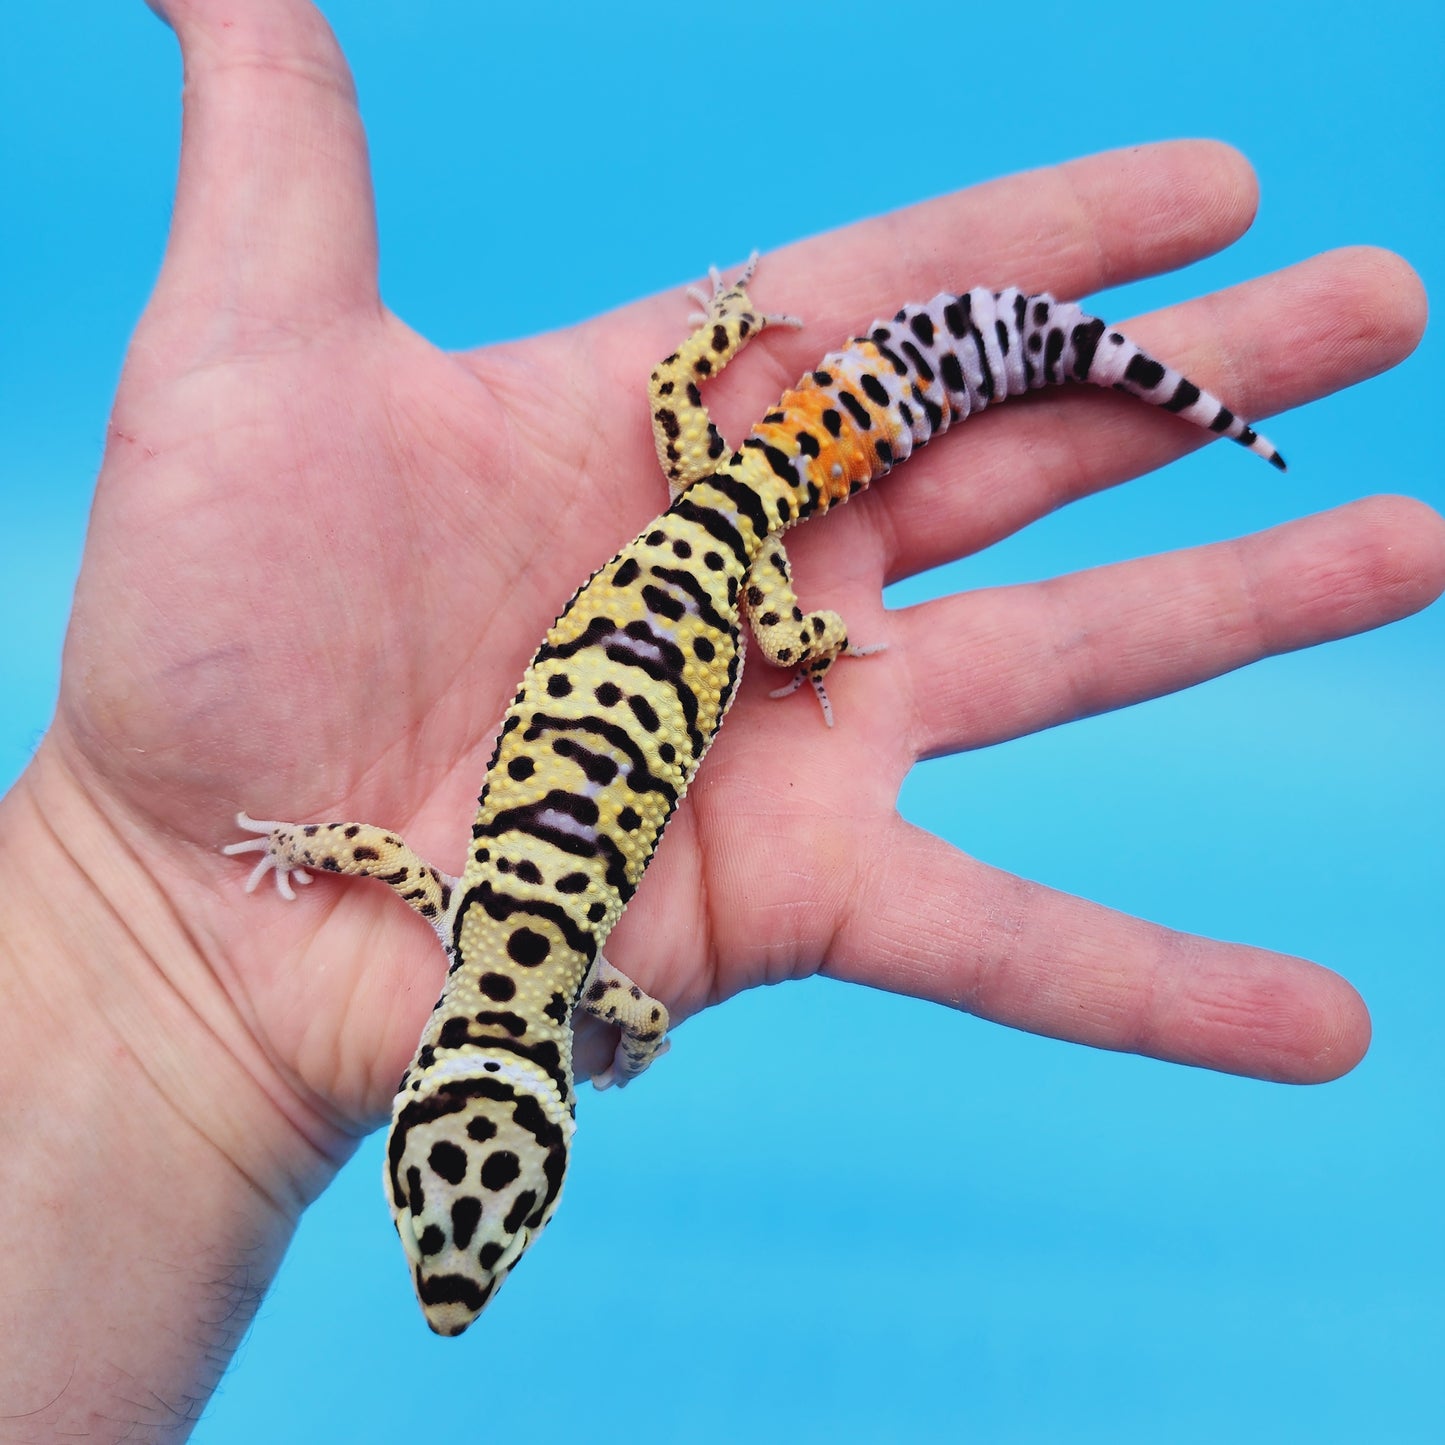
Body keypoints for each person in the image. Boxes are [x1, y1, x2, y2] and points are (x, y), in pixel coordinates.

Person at [2, 0, 1439, 1434]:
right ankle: (962, 370)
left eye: (446, 1226)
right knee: (742, 468)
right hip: (713, 545)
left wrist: (639, 1020)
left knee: (800, 533)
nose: (457, 1266)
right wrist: (265, 859)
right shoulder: (466, 923)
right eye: (484, 1234)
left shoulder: (587, 989)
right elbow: (374, 858)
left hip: (723, 564)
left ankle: (1062, 369)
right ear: (507, 1130)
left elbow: (625, 1017)